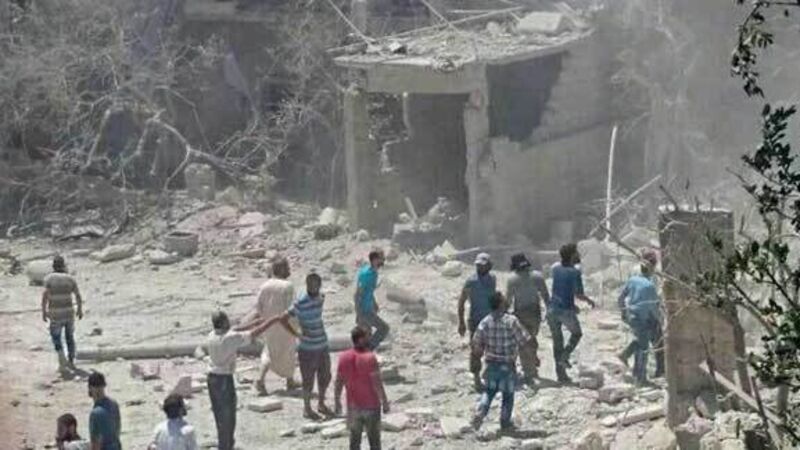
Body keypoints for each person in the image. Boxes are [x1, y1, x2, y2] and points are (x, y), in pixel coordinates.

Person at [260, 272, 333, 419]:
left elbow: (320, 302)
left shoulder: (320, 298)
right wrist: (296, 333)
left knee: (325, 375)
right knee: (308, 379)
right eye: (312, 285)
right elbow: (283, 318)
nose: (314, 287)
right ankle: (307, 408)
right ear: (307, 285)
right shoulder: (301, 302)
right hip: (307, 347)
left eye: (317, 285)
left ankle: (321, 403)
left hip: (322, 343)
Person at [206, 311, 277, 450]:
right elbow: (252, 334)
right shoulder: (229, 338)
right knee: (228, 417)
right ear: (223, 322)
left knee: (220, 416)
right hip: (223, 380)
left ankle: (225, 445)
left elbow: (235, 329)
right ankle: (226, 446)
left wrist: (253, 322)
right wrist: (272, 321)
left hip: (212, 378)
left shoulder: (212, 334)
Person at [471, 292, 530, 431]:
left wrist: (478, 357)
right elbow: (523, 341)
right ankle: (505, 422)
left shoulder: (485, 322)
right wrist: (532, 358)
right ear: (500, 304)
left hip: (491, 364)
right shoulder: (511, 321)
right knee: (508, 395)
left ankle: (481, 411)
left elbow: (477, 344)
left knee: (489, 391)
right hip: (507, 366)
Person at [334, 326, 390, 450]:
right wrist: (384, 401)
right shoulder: (369, 357)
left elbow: (339, 381)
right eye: (367, 336)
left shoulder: (343, 357)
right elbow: (377, 383)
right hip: (371, 406)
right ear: (360, 339)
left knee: (354, 442)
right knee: (374, 442)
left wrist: (337, 400)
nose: (369, 339)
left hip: (353, 407)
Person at [250, 256, 298, 395]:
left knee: (269, 351)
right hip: (285, 323)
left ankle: (264, 380)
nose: (289, 270)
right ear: (281, 269)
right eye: (287, 267)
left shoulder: (265, 285)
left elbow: (258, 308)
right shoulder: (287, 286)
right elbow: (292, 307)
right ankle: (287, 380)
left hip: (268, 324)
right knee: (288, 351)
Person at [548, 243, 596, 383]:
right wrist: (589, 301)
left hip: (552, 309)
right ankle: (565, 356)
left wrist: (573, 304)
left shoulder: (555, 268)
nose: (579, 255)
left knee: (558, 342)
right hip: (565, 311)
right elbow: (578, 294)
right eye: (576, 252)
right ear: (571, 255)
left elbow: (561, 288)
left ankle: (561, 374)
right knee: (577, 334)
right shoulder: (575, 272)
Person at [617, 249, 663, 384]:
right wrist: (661, 320)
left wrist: (623, 312)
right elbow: (654, 308)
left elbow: (621, 298)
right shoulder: (650, 286)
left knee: (641, 341)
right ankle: (641, 378)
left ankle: (632, 365)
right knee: (644, 348)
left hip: (631, 315)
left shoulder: (633, 279)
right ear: (652, 268)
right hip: (643, 318)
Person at [506, 253, 550, 383]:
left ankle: (529, 373)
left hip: (520, 314)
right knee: (531, 338)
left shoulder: (512, 279)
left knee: (523, 343)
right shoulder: (537, 276)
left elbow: (508, 300)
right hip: (535, 313)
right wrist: (549, 310)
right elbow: (546, 296)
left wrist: (503, 313)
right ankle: (532, 360)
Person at [457, 252, 497, 390]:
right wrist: (461, 322)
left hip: (490, 320)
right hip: (475, 320)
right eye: (478, 265)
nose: (480, 268)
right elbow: (461, 301)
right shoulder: (471, 281)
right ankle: (476, 378)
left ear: (489, 266)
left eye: (483, 265)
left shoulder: (492, 279)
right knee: (476, 350)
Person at [41, 255, 83, 371]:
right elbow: (78, 295)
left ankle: (61, 357)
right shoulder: (70, 278)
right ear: (63, 265)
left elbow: (45, 296)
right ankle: (71, 361)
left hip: (55, 313)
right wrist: (79, 309)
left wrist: (44, 311)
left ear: (53, 266)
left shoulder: (48, 278)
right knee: (70, 337)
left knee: (56, 336)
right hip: (69, 313)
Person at [354, 250, 390, 350]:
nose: (383, 261)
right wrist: (359, 313)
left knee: (366, 336)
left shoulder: (374, 273)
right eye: (381, 259)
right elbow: (357, 294)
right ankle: (368, 350)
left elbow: (369, 290)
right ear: (374, 260)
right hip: (364, 310)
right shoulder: (367, 274)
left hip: (369, 309)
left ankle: (365, 353)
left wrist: (374, 303)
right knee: (384, 328)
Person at [87, 372, 121, 450]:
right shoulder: (114, 404)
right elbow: (117, 430)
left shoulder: (95, 413)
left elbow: (96, 443)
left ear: (90, 388)